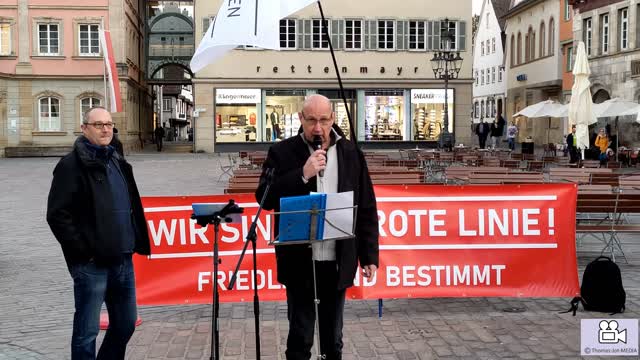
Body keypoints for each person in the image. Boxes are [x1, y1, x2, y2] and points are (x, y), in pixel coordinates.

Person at [255, 95, 379, 360]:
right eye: (311, 120)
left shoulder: (351, 153)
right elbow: (263, 196)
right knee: (300, 338)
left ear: (333, 118)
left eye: (324, 120)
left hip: (337, 260)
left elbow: (366, 206)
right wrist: (302, 174)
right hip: (299, 261)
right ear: (301, 118)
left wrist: (369, 256)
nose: (318, 128)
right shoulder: (282, 152)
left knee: (333, 341)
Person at [46, 106, 151, 359]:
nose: (106, 129)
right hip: (92, 264)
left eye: (109, 124)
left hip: (123, 259)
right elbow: (57, 215)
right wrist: (83, 251)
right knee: (86, 332)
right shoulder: (71, 165)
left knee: (125, 325)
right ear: (84, 129)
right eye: (98, 124)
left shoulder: (116, 159)